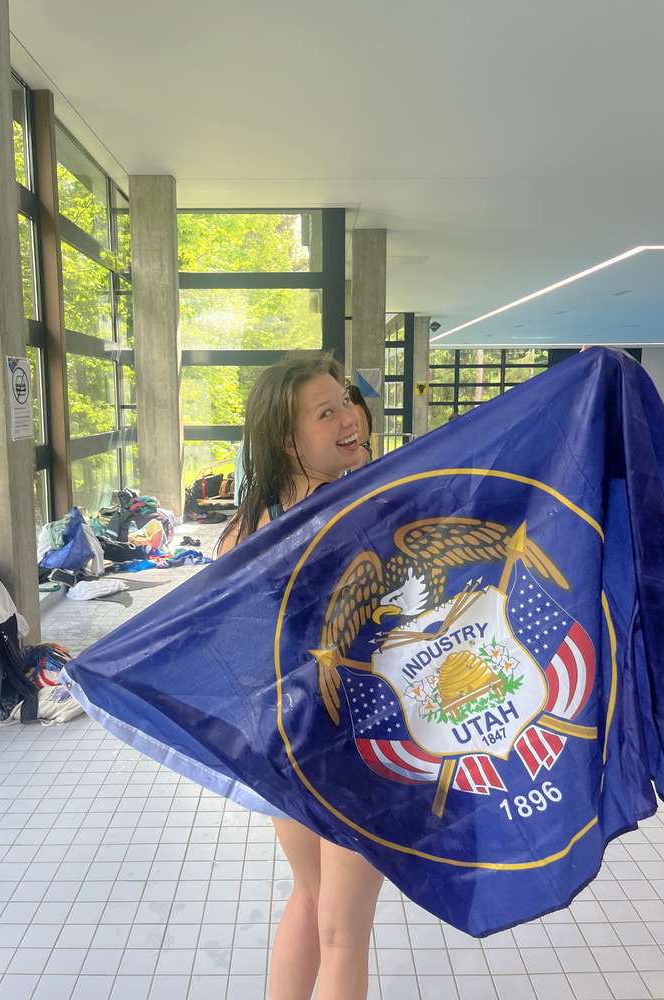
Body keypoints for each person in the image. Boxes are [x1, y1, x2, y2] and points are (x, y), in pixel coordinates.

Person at [216, 352, 382, 1000]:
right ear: (289, 441)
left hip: (281, 737)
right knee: (344, 934)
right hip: (352, 737)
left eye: (346, 400)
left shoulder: (242, 530)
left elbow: (231, 649)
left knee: (311, 897)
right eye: (326, 412)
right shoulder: (354, 512)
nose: (350, 417)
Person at [344, 382, 373, 469]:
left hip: (360, 450)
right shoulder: (362, 408)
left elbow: (360, 435)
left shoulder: (356, 409)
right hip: (365, 449)